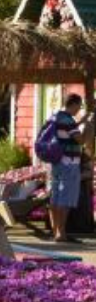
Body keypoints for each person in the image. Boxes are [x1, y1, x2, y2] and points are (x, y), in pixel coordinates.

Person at [47, 94, 90, 242]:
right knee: (66, 198)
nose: (79, 109)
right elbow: (81, 140)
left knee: (56, 197)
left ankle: (56, 231)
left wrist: (80, 122)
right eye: (80, 105)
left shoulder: (57, 117)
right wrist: (88, 126)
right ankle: (61, 233)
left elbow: (66, 133)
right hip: (69, 163)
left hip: (57, 162)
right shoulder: (68, 121)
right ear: (74, 104)